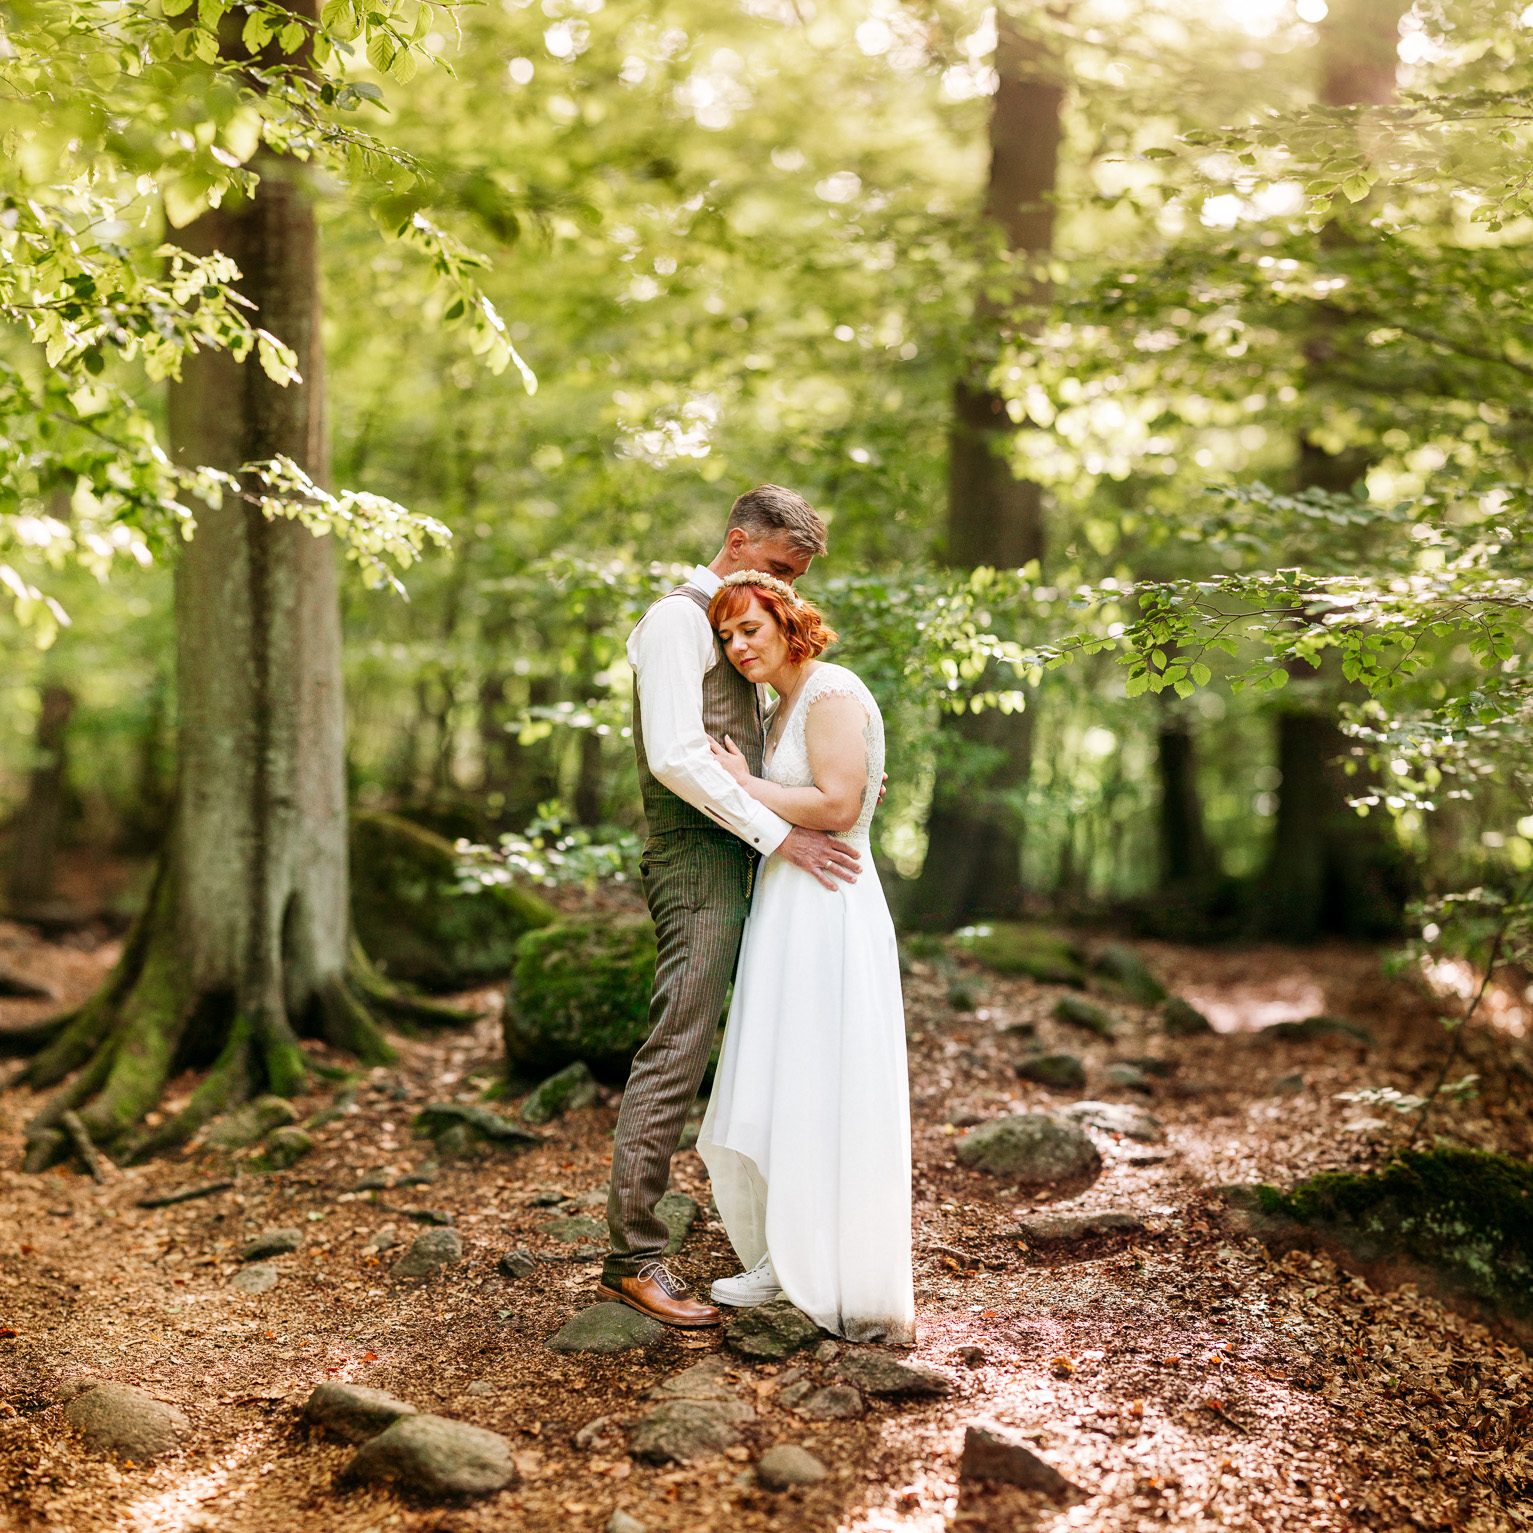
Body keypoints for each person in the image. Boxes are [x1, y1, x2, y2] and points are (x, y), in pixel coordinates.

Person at [598, 486, 862, 1328]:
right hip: (697, 863)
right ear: (738, 541)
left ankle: (783, 1241)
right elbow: (678, 756)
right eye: (778, 568)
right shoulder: (678, 620)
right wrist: (779, 836)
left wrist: (829, 790)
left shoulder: (739, 634)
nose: (784, 592)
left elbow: (758, 754)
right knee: (677, 1044)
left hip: (750, 858)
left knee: (765, 1046)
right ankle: (632, 1256)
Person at [695, 570, 916, 1346]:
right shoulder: (784, 703)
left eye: (749, 628)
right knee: (783, 1072)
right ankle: (781, 1253)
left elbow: (838, 805)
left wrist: (744, 783)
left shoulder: (830, 692)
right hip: (789, 903)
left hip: (828, 906)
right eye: (726, 635)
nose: (737, 646)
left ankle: (823, 1264)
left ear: (789, 622)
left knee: (821, 1073)